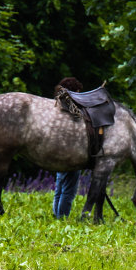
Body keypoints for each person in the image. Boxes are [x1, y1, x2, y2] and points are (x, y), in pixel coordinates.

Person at [53, 76, 85, 218]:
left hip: (58, 154)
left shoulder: (57, 108)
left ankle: (57, 215)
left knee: (59, 189)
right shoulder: (72, 112)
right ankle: (62, 217)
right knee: (68, 191)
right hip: (71, 155)